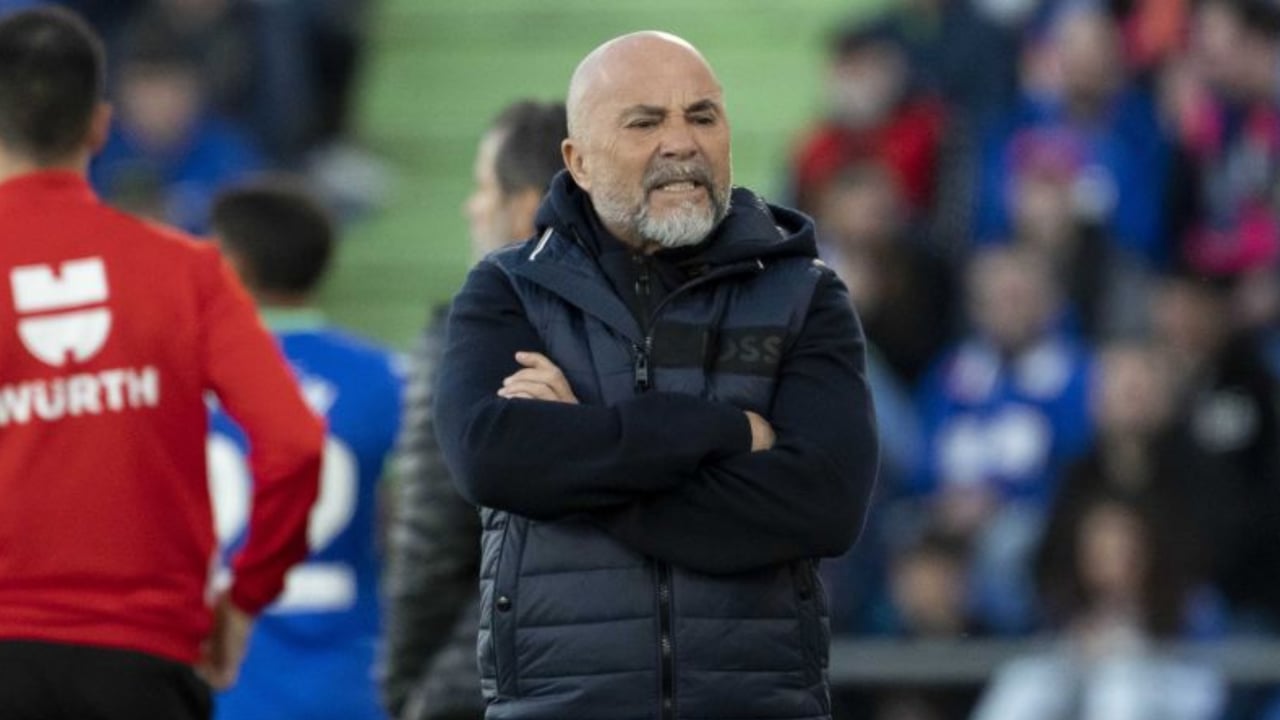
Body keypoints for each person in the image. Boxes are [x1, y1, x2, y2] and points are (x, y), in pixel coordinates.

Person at [434, 31, 879, 719]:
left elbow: (825, 504)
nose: (681, 143)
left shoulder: (804, 294)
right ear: (578, 162)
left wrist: (579, 457)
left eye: (702, 116)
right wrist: (721, 432)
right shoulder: (509, 290)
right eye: (644, 122)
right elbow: (492, 460)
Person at [0, 8, 323, 720]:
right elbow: (296, 443)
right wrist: (245, 598)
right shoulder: (187, 272)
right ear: (98, 126)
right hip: (146, 659)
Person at [381, 99, 567, 720]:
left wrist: (404, 688)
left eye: (484, 187)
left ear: (525, 206)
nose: (471, 207)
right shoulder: (629, 334)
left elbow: (430, 545)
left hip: (476, 681)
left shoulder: (462, 343)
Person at [207, 180, 402, 720]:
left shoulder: (184, 376)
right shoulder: (387, 377)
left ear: (233, 265)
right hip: (351, 678)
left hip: (222, 678)